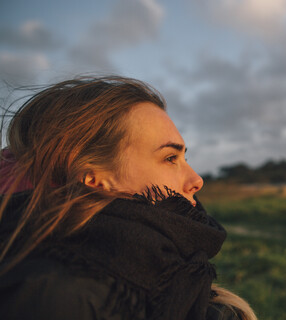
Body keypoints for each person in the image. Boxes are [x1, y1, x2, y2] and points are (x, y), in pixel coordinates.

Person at [0, 76, 257, 320]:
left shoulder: (169, 268)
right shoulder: (56, 296)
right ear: (94, 179)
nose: (197, 180)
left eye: (184, 158)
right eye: (170, 158)